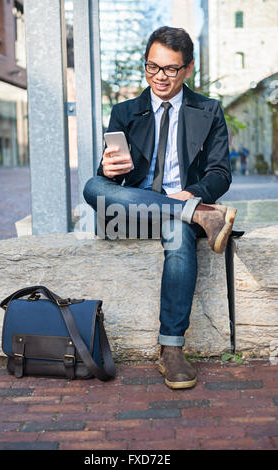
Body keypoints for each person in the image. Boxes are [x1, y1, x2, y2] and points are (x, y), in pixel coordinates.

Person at [83, 26, 237, 390]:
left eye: (170, 69)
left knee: (178, 230)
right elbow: (109, 186)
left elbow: (220, 173)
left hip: (178, 213)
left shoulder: (208, 110)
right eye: (152, 67)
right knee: (93, 186)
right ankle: (198, 215)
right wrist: (108, 169)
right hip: (130, 214)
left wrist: (194, 193)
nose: (160, 77)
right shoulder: (124, 112)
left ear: (188, 69)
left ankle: (171, 349)